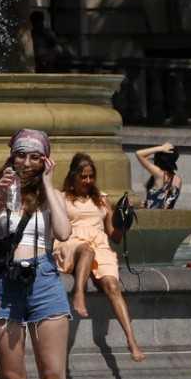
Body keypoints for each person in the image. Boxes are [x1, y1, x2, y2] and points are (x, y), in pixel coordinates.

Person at [0, 129, 73, 379]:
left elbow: (64, 232)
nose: (27, 163)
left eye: (35, 157)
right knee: (12, 378)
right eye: (21, 155)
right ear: (12, 157)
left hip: (43, 278)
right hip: (4, 281)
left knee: (53, 375)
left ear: (45, 161)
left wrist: (48, 184)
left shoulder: (51, 196)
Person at [55, 152, 145, 362]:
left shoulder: (101, 199)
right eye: (83, 176)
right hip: (72, 242)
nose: (88, 181)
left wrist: (124, 224)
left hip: (101, 245)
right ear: (73, 176)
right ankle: (79, 293)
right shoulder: (62, 198)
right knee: (86, 250)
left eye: (91, 176)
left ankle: (132, 341)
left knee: (113, 286)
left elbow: (114, 236)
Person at [135, 143, 182, 209]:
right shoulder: (177, 179)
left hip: (153, 216)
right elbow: (166, 202)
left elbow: (138, 154)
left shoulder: (159, 174)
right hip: (167, 216)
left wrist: (161, 148)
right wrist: (145, 203)